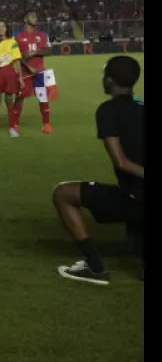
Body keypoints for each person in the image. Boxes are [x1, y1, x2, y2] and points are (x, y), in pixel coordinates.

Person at [52, 56, 144, 285]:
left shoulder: (107, 111)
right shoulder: (142, 106)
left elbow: (121, 162)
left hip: (136, 196)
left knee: (63, 194)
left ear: (110, 80)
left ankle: (94, 267)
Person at [14, 11, 53, 134]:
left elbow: (49, 50)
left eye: (36, 16)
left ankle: (46, 124)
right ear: (25, 19)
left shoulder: (42, 35)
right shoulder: (18, 36)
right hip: (24, 72)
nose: (35, 18)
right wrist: (28, 66)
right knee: (20, 97)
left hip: (40, 71)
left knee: (43, 96)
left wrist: (35, 53)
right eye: (32, 16)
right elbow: (16, 55)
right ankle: (14, 124)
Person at [0, 21, 24, 137]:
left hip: (9, 71)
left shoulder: (12, 42)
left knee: (9, 101)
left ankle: (12, 127)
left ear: (7, 28)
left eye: (3, 26)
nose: (1, 28)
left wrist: (20, 77)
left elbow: (17, 60)